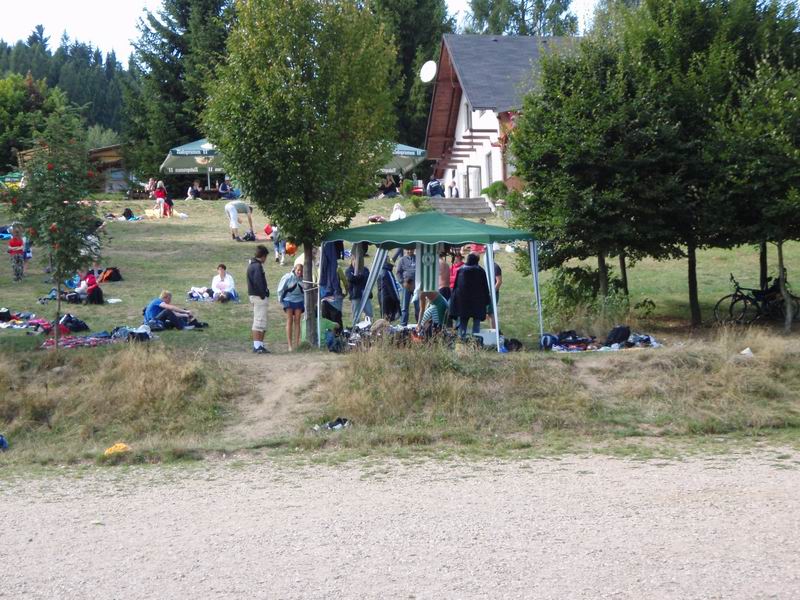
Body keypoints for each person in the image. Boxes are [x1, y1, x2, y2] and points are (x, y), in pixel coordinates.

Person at [450, 253, 491, 337]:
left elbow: (456, 287)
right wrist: (487, 300)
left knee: (463, 322)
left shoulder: (461, 270)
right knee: (476, 322)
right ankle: (475, 340)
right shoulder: (480, 271)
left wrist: (454, 300)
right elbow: (485, 287)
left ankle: (461, 339)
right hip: (477, 301)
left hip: (463, 302)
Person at [247, 245, 271, 353]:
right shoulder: (257, 266)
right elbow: (258, 282)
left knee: (262, 322)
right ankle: (257, 346)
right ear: (263, 256)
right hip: (258, 296)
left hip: (256, 296)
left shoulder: (252, 265)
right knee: (258, 321)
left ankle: (260, 345)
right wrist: (263, 294)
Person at [278, 263, 305, 352]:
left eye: (301, 271)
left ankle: (296, 344)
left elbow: (305, 291)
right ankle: (290, 346)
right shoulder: (288, 277)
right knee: (289, 320)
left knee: (297, 321)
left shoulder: (304, 279)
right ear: (294, 270)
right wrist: (281, 301)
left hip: (299, 300)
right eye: (298, 270)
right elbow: (280, 289)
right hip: (288, 299)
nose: (299, 272)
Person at [345, 256, 373, 320]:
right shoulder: (348, 271)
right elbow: (351, 279)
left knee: (369, 314)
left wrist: (357, 277)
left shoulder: (365, 270)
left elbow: (367, 278)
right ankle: (356, 326)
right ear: (352, 261)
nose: (357, 263)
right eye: (355, 261)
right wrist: (360, 277)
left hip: (366, 294)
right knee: (356, 315)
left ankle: (369, 325)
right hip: (355, 295)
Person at [396, 248, 418, 326]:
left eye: (411, 249)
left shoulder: (418, 258)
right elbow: (398, 273)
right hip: (406, 286)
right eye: (408, 250)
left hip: (416, 286)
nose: (409, 251)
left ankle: (419, 324)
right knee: (404, 307)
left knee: (418, 307)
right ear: (405, 250)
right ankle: (403, 324)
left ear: (414, 249)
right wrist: (402, 282)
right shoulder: (402, 260)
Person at [487, 261, 503, 328]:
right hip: (488, 293)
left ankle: (495, 331)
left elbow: (499, 282)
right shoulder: (488, 266)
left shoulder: (495, 267)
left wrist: (492, 293)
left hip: (493, 294)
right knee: (488, 313)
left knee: (491, 313)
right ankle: (495, 330)